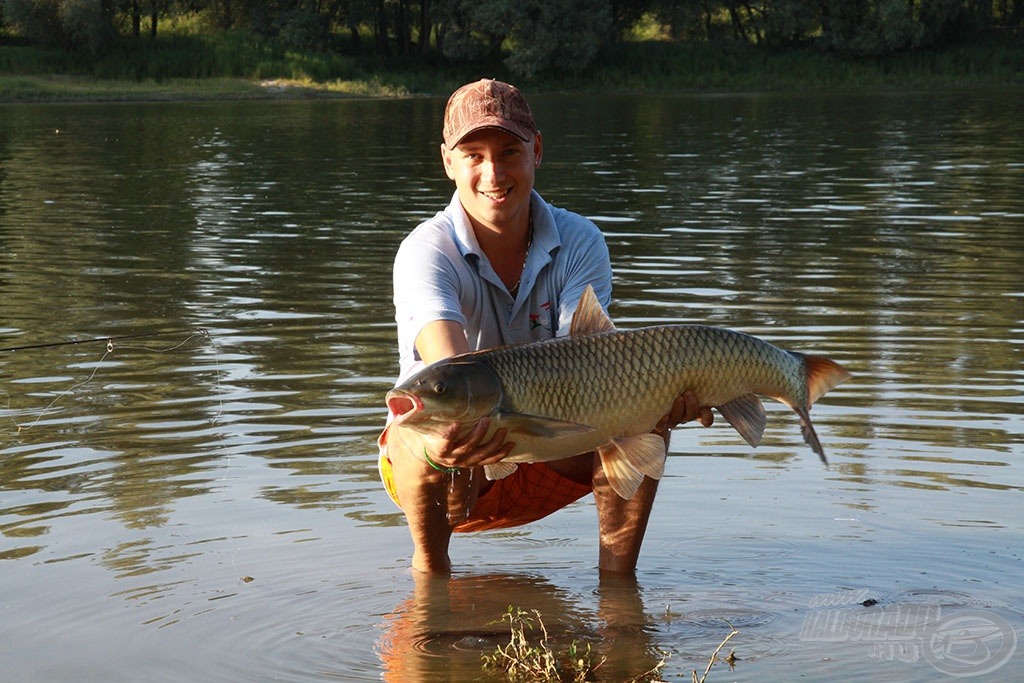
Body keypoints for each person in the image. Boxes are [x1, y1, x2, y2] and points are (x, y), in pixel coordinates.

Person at [378, 78, 712, 575]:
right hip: (459, 467)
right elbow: (451, 368)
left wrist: (661, 396)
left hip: (554, 448)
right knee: (416, 432)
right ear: (448, 161)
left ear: (536, 151)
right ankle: (431, 581)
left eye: (510, 151)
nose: (493, 172)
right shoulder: (426, 251)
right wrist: (457, 440)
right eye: (474, 154)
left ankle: (619, 600)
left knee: (646, 421)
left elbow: (594, 361)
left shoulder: (580, 240)